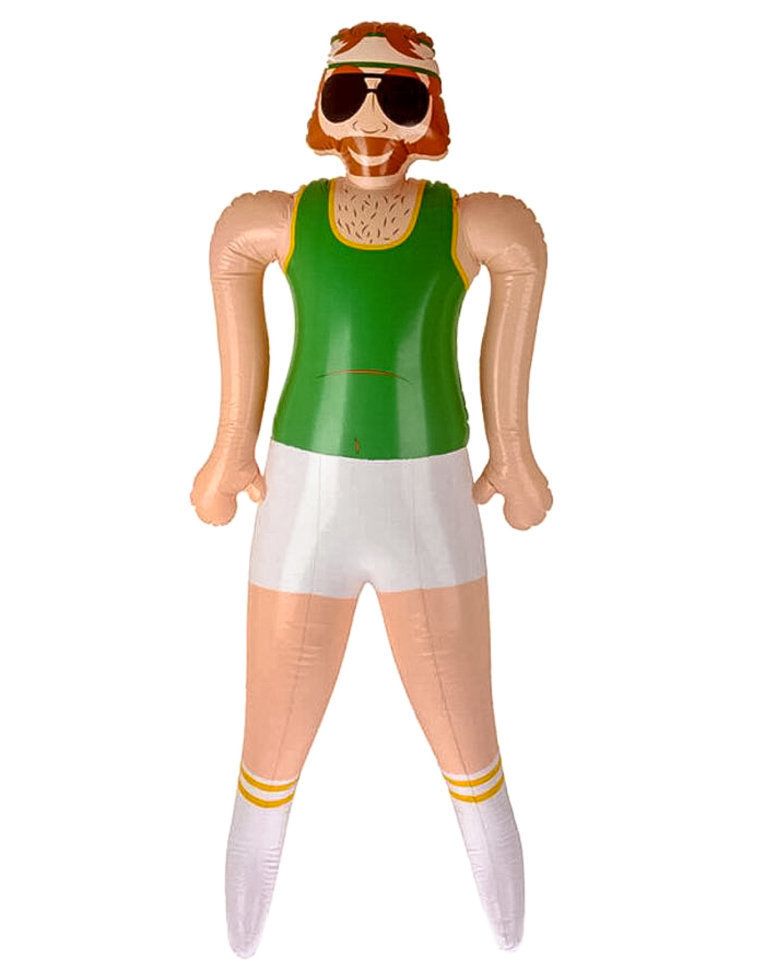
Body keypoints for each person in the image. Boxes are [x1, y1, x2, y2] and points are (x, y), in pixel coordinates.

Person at [191, 20, 552, 957]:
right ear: (321, 108)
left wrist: (514, 450)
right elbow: (229, 253)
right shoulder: (289, 219)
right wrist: (230, 446)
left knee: (471, 743)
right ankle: (240, 939)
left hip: (426, 500)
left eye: (400, 97)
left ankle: (514, 938)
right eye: (349, 93)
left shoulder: (463, 223)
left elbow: (522, 256)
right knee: (267, 749)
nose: (372, 120)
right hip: (304, 503)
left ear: (433, 114)